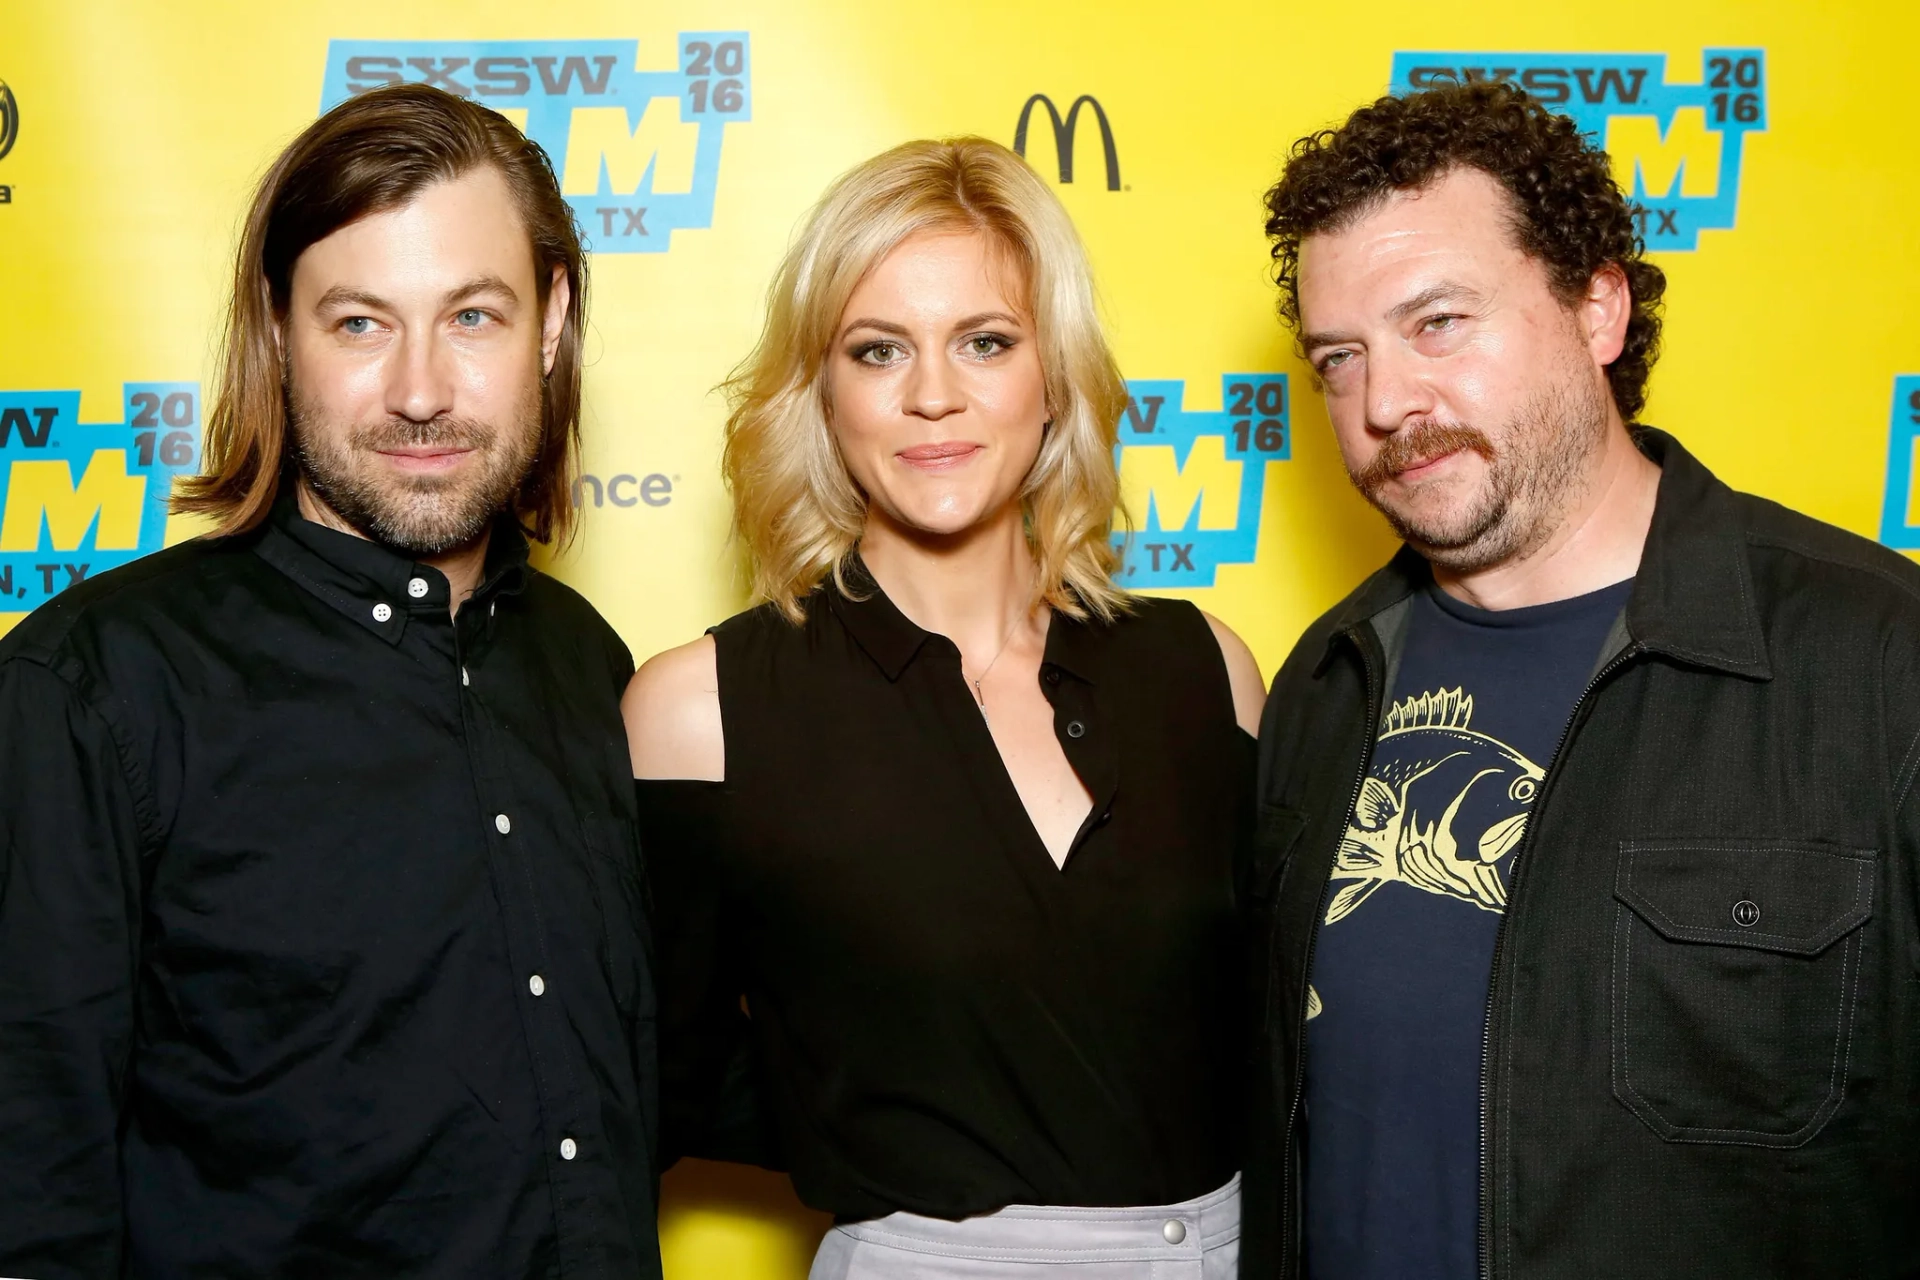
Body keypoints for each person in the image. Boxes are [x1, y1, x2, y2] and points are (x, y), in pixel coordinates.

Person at [1242, 78, 1920, 1280]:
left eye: (1438, 321)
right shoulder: (1327, 681)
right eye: (1339, 358)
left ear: (1598, 305)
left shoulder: (1877, 662)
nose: (1385, 401)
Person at [0, 84, 661, 1279]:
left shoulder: (586, 663)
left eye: (474, 316)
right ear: (277, 329)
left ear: (552, 320)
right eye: (360, 323)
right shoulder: (93, 687)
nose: (420, 390)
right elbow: (27, 1187)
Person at [624, 137, 1265, 1279]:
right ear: (822, 392)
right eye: (878, 351)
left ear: (1053, 372)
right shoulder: (703, 708)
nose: (933, 395)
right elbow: (652, 1068)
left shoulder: (1202, 667)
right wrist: (886, 1130)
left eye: (985, 341)